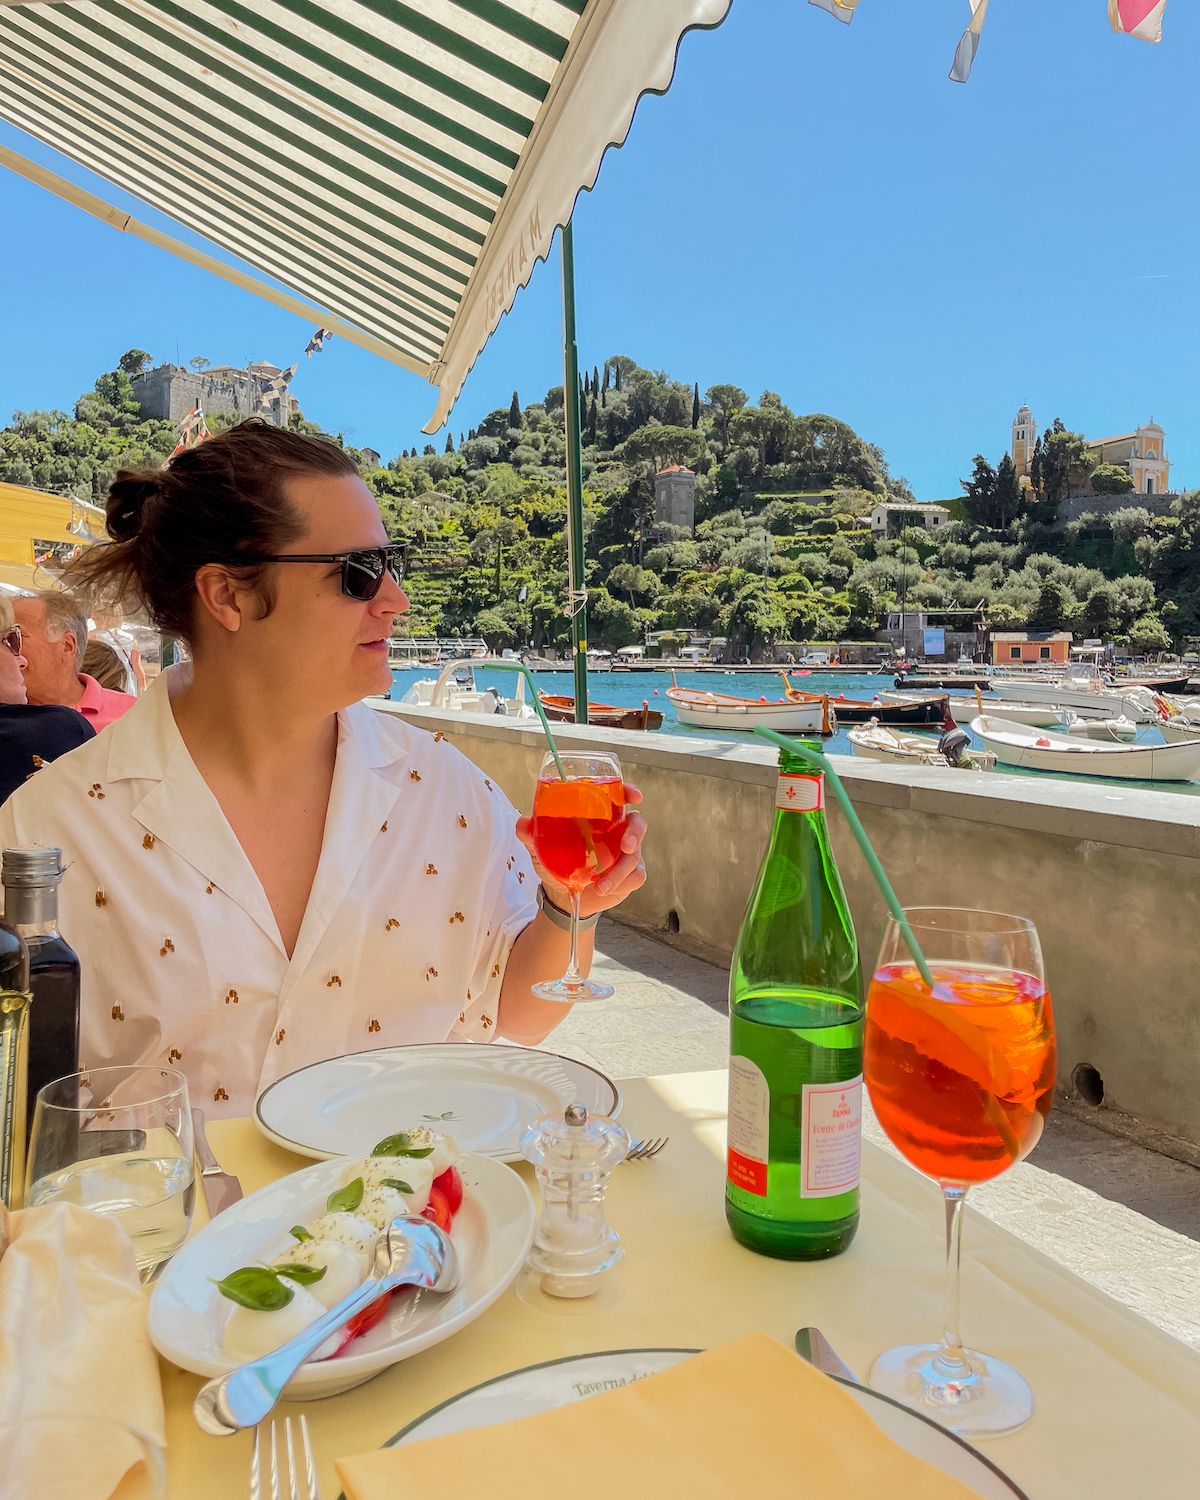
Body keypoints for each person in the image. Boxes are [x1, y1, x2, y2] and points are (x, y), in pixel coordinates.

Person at [0, 422, 646, 1116]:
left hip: (414, 1216)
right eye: (358, 572)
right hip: (179, 1224)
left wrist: (568, 905)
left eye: (391, 564)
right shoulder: (48, 834)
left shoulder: (449, 793)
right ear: (228, 595)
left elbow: (522, 1013)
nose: (394, 598)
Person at [0, 595, 94, 803]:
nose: (21, 660)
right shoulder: (64, 730)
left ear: (68, 646)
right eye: (11, 641)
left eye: (18, 637)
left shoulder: (134, 714)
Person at [12, 591, 136, 732]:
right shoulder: (7, 717)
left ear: (67, 646)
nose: (4, 650)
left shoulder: (130, 715)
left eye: (15, 636)